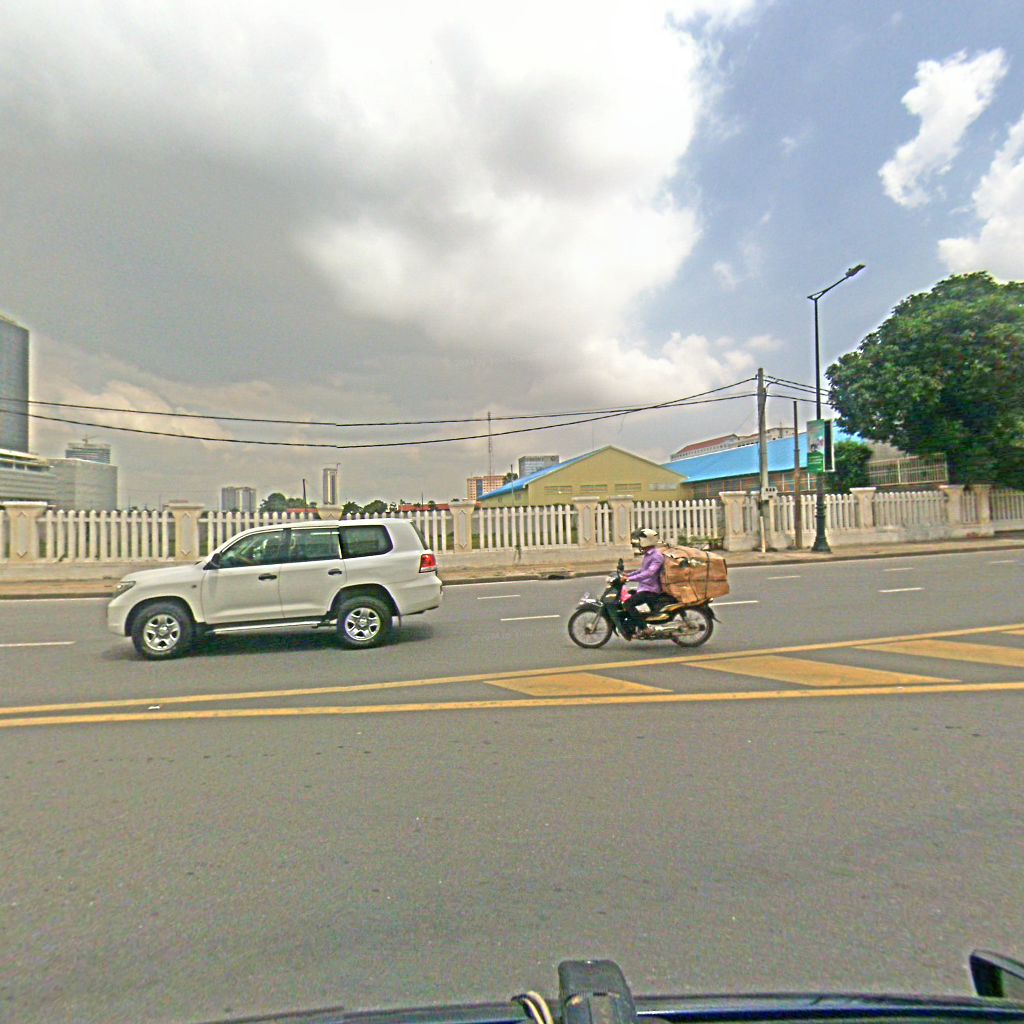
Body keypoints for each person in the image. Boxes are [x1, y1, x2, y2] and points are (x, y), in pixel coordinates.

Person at [622, 528, 665, 638]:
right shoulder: (648, 554)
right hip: (645, 588)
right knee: (628, 596)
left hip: (651, 590)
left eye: (640, 540)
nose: (639, 543)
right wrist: (628, 575)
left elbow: (649, 573)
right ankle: (632, 625)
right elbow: (642, 570)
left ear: (646, 541)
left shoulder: (656, 556)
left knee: (628, 604)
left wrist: (630, 579)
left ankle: (645, 628)